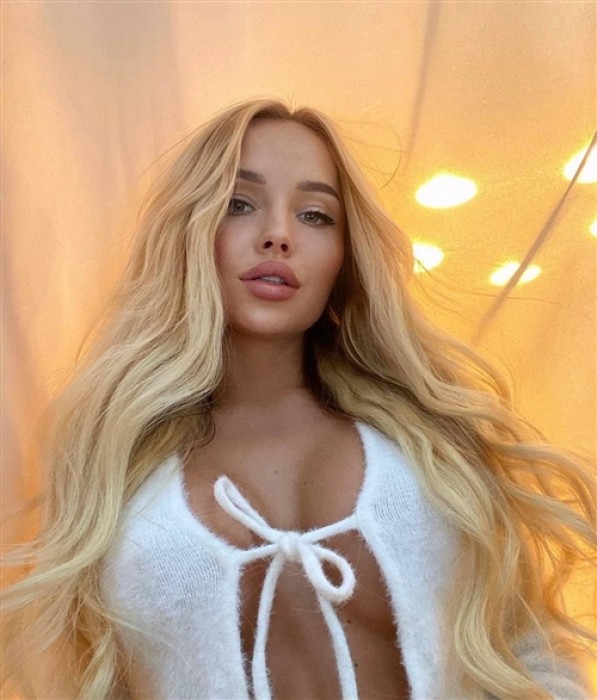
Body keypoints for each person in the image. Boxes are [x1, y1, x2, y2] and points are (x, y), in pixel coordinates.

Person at [1, 97, 596, 699]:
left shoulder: (427, 446)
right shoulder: (115, 467)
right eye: (238, 204)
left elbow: (529, 652)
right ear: (190, 231)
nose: (278, 235)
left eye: (315, 215)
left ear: (343, 258)